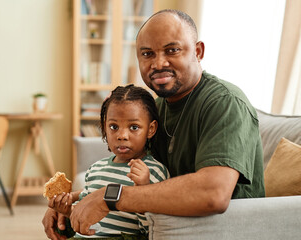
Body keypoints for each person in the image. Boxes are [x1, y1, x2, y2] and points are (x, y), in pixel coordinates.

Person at [43, 9, 265, 238]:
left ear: (198, 51)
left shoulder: (224, 102)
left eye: (172, 50)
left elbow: (214, 194)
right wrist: (72, 202)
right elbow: (125, 175)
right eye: (147, 54)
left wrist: (110, 197)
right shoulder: (155, 108)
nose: (158, 63)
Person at [47, 85, 169, 239]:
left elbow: (153, 229)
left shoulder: (154, 171)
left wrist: (143, 189)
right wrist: (67, 211)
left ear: (151, 129)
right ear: (104, 127)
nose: (122, 135)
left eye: (134, 127)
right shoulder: (95, 169)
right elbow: (87, 221)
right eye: (114, 127)